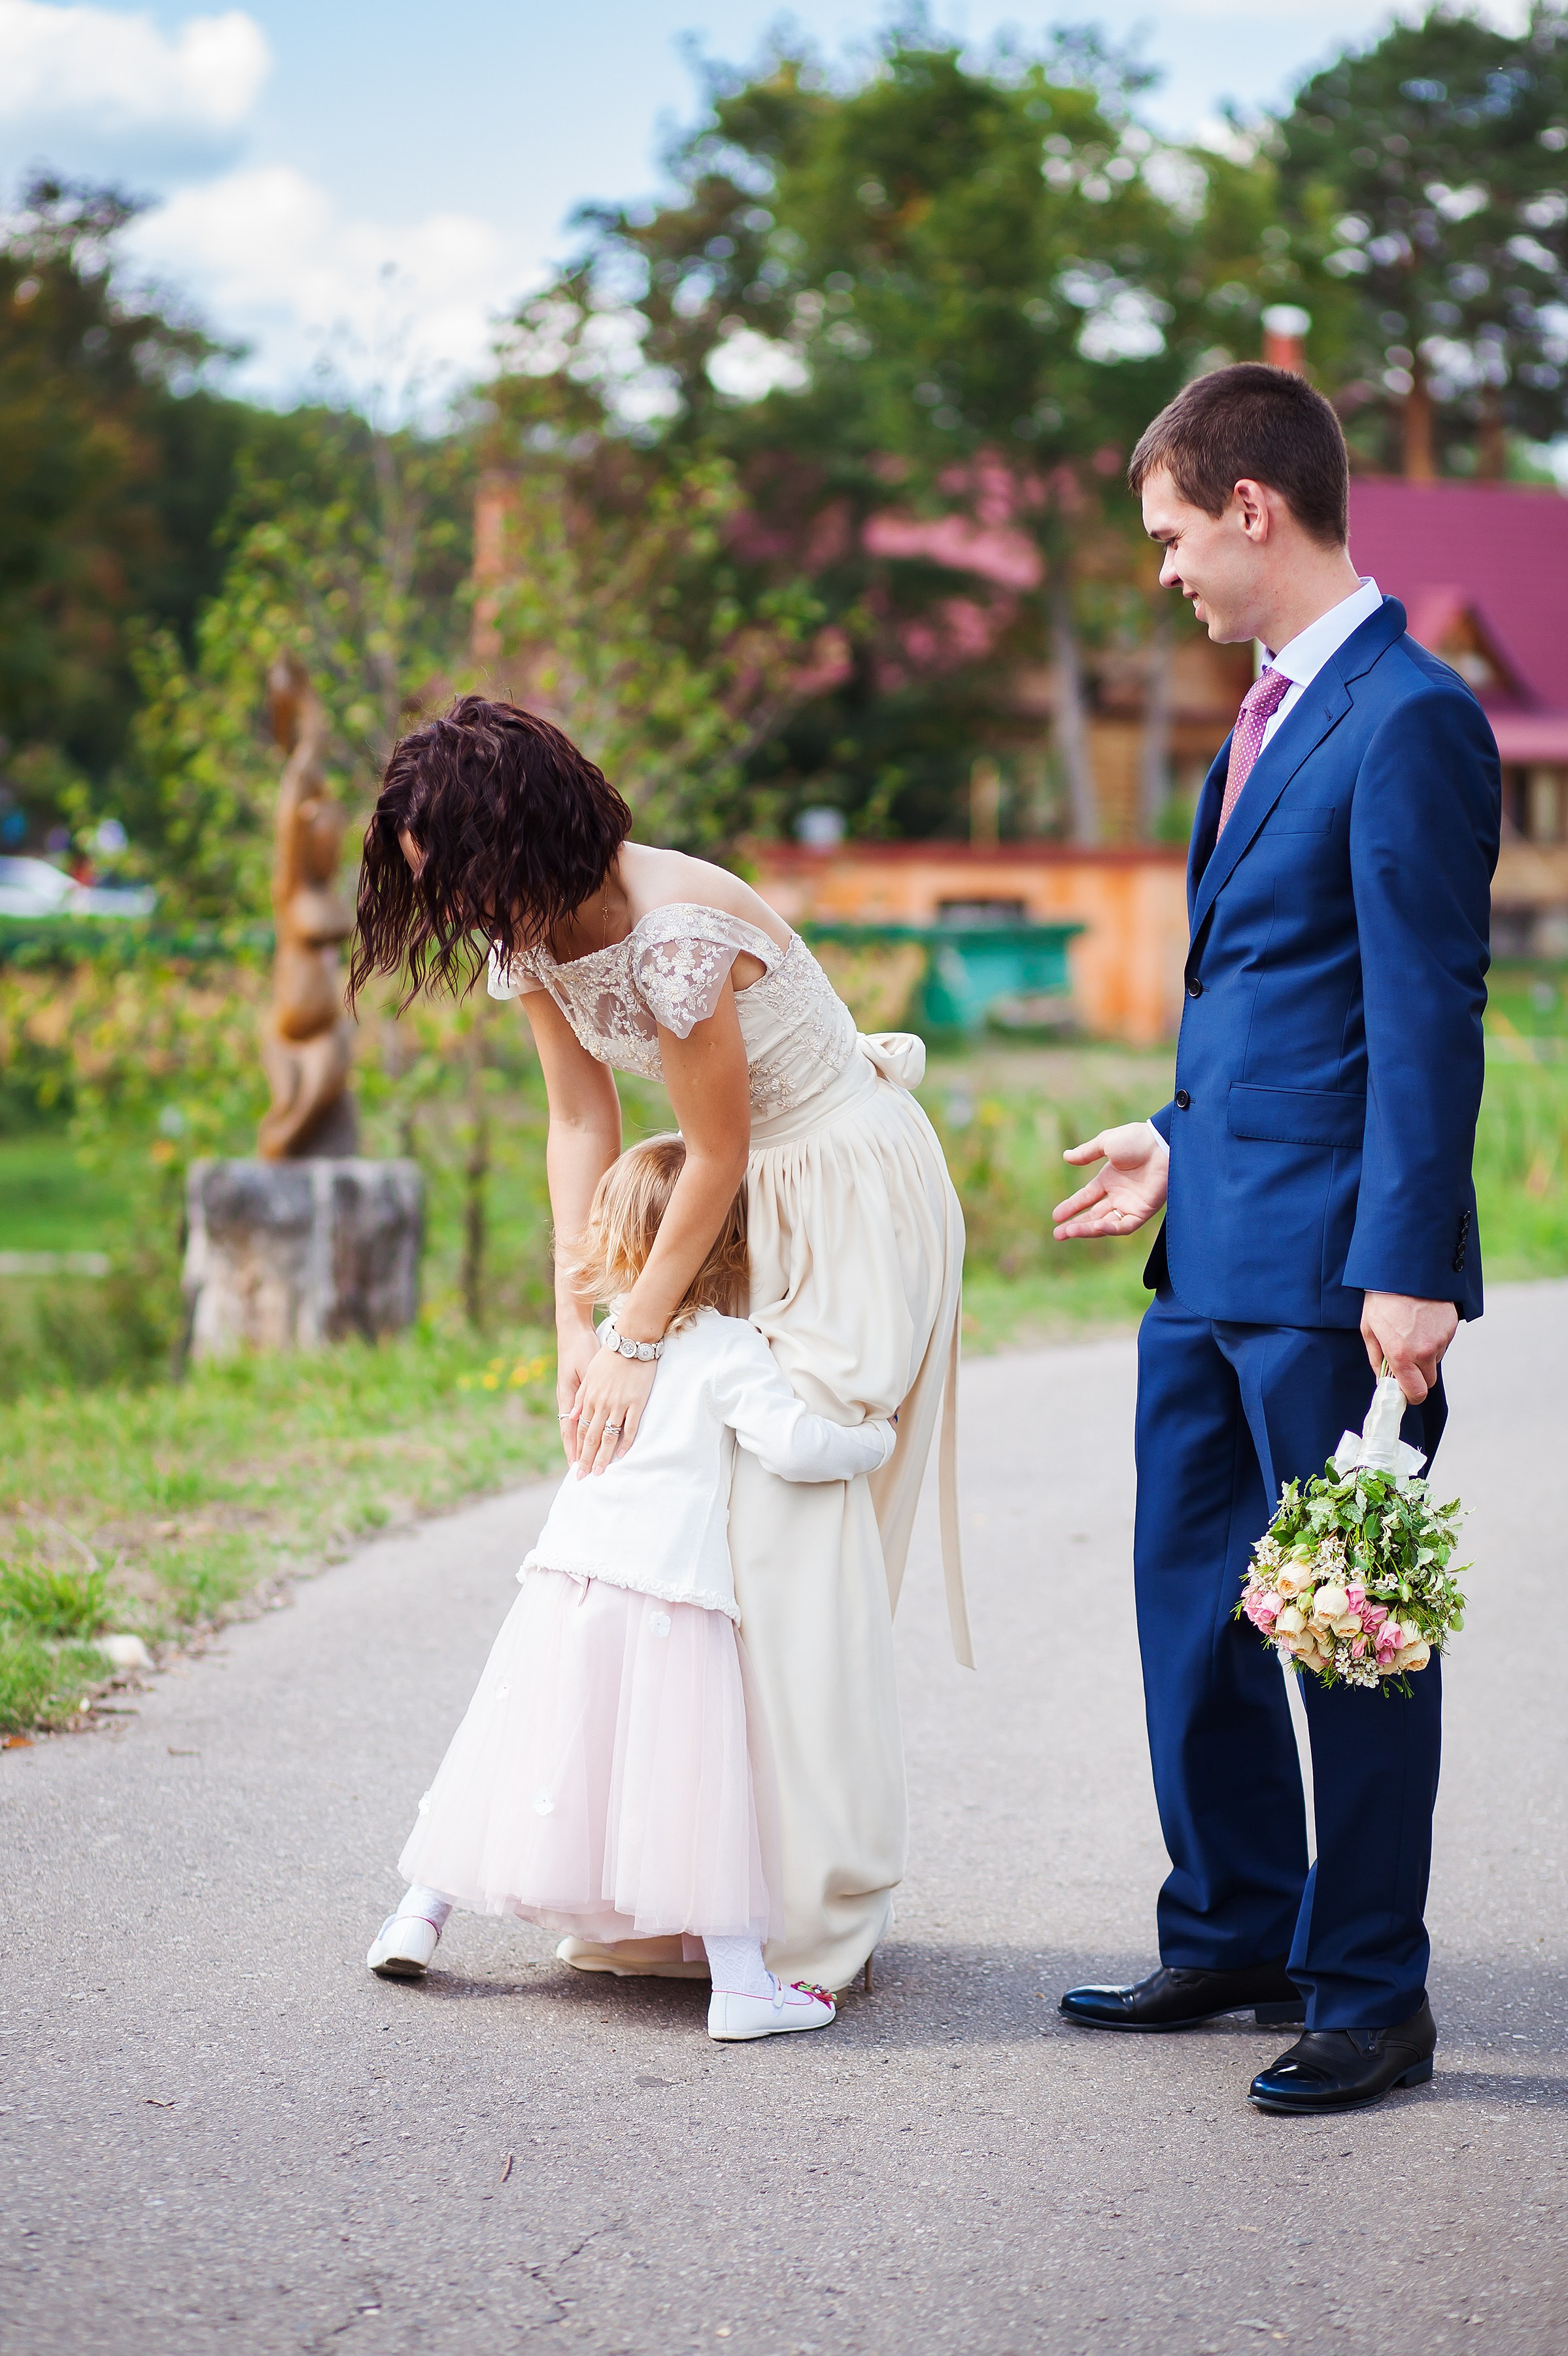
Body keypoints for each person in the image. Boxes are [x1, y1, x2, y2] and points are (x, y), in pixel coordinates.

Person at [350, 698, 967, 1996]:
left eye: (458, 876)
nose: (455, 910)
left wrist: (641, 1335)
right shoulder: (524, 936)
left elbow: (726, 1146)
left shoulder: (674, 931)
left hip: (839, 1195)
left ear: (521, 835)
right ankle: (689, 1889)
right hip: (722, 1206)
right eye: (429, 887)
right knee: (675, 1535)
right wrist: (579, 1324)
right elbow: (579, 1122)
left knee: (786, 1529)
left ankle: (812, 1917)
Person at [1052, 364, 1499, 2115]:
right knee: (1196, 1617)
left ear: (1252, 509)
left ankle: (1367, 1988)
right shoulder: (1257, 714)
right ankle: (1236, 1920)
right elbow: (1271, 989)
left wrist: (1410, 1264)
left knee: (1346, 1621)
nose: (1160, 570)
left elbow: (1422, 1009)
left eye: (1169, 535)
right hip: (1208, 1258)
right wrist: (1170, 1143)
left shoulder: (1407, 718)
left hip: (1330, 1275)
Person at [367, 1135, 896, 2041]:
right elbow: (797, 1447)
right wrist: (874, 1438)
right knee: (693, 1781)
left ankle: (417, 1913)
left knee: (512, 1744)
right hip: (668, 1596)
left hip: (563, 1582)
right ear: (722, 1244)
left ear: (611, 1239)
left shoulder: (606, 1344)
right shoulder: (725, 1345)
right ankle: (740, 1982)